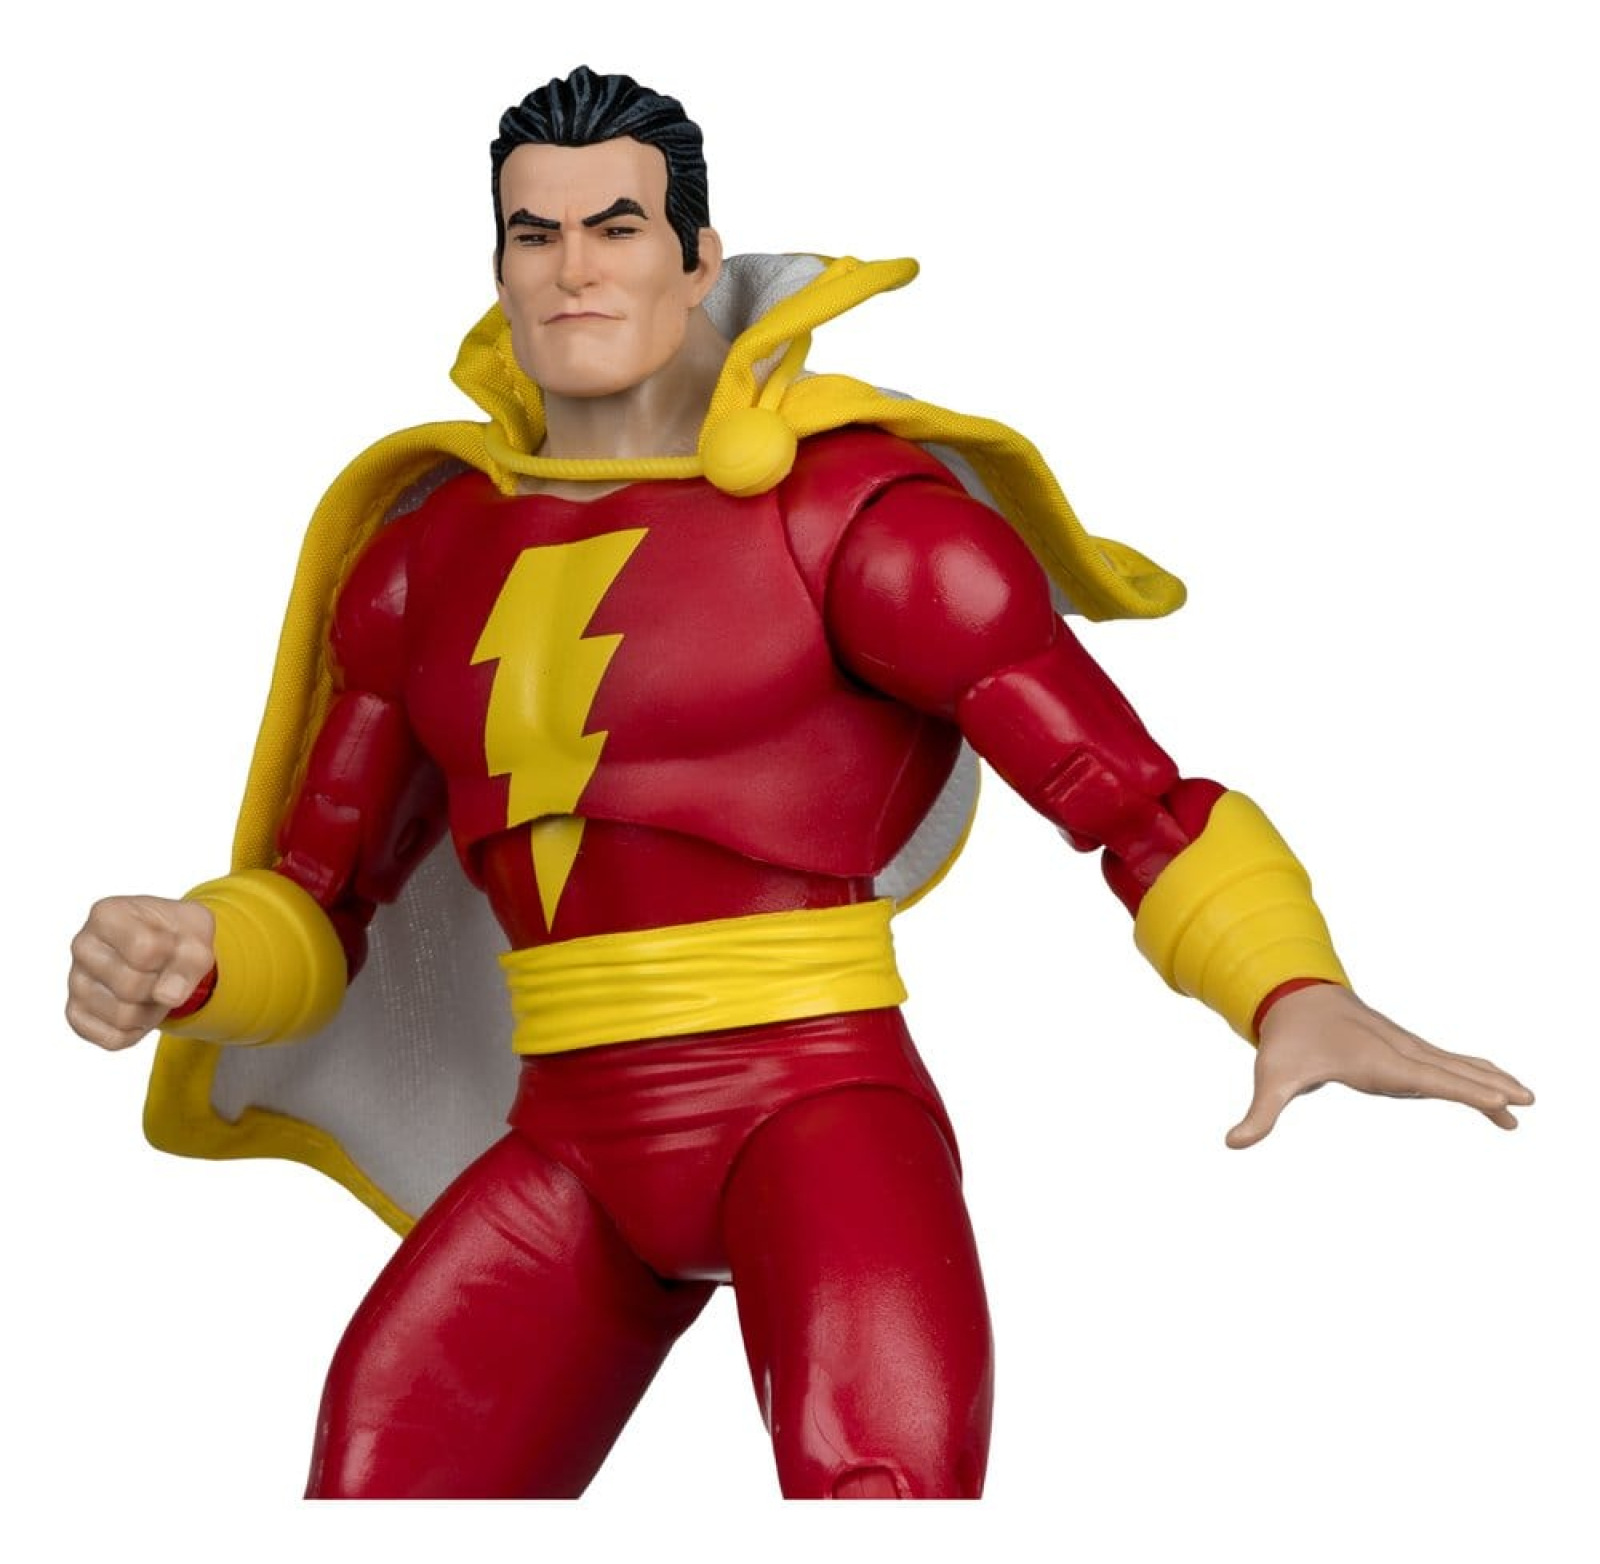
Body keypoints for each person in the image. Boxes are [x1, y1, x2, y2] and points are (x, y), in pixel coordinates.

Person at [65, 67, 1532, 1500]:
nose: (574, 270)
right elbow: (320, 903)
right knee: (383, 1476)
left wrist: (1290, 988)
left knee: (877, 1497)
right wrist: (199, 955)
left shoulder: (853, 519)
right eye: (534, 233)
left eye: (617, 227)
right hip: (571, 1139)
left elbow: (1129, 802)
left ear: (698, 259)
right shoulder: (423, 562)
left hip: (815, 1113)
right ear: (497, 269)